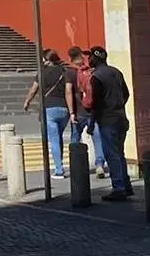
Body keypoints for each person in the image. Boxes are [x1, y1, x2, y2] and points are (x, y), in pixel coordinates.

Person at [88, 46, 132, 200]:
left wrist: (92, 122)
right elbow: (126, 94)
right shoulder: (116, 72)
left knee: (112, 154)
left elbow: (96, 102)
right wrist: (118, 105)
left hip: (107, 120)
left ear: (95, 58)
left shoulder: (97, 77)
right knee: (120, 153)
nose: (88, 59)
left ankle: (119, 188)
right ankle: (126, 185)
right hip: (121, 117)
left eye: (90, 57)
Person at [22, 49, 73, 179]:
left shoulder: (42, 73)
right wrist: (71, 111)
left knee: (54, 139)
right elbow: (69, 90)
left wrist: (27, 101)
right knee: (59, 137)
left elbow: (34, 89)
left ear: (47, 60)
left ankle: (59, 170)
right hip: (64, 109)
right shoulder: (64, 71)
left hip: (49, 108)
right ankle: (61, 164)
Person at [67, 45, 109, 179]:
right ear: (82, 56)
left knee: (75, 139)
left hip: (78, 112)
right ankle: (100, 165)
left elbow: (69, 92)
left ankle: (76, 165)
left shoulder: (70, 72)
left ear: (70, 57)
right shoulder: (91, 71)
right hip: (93, 111)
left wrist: (71, 112)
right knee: (98, 138)